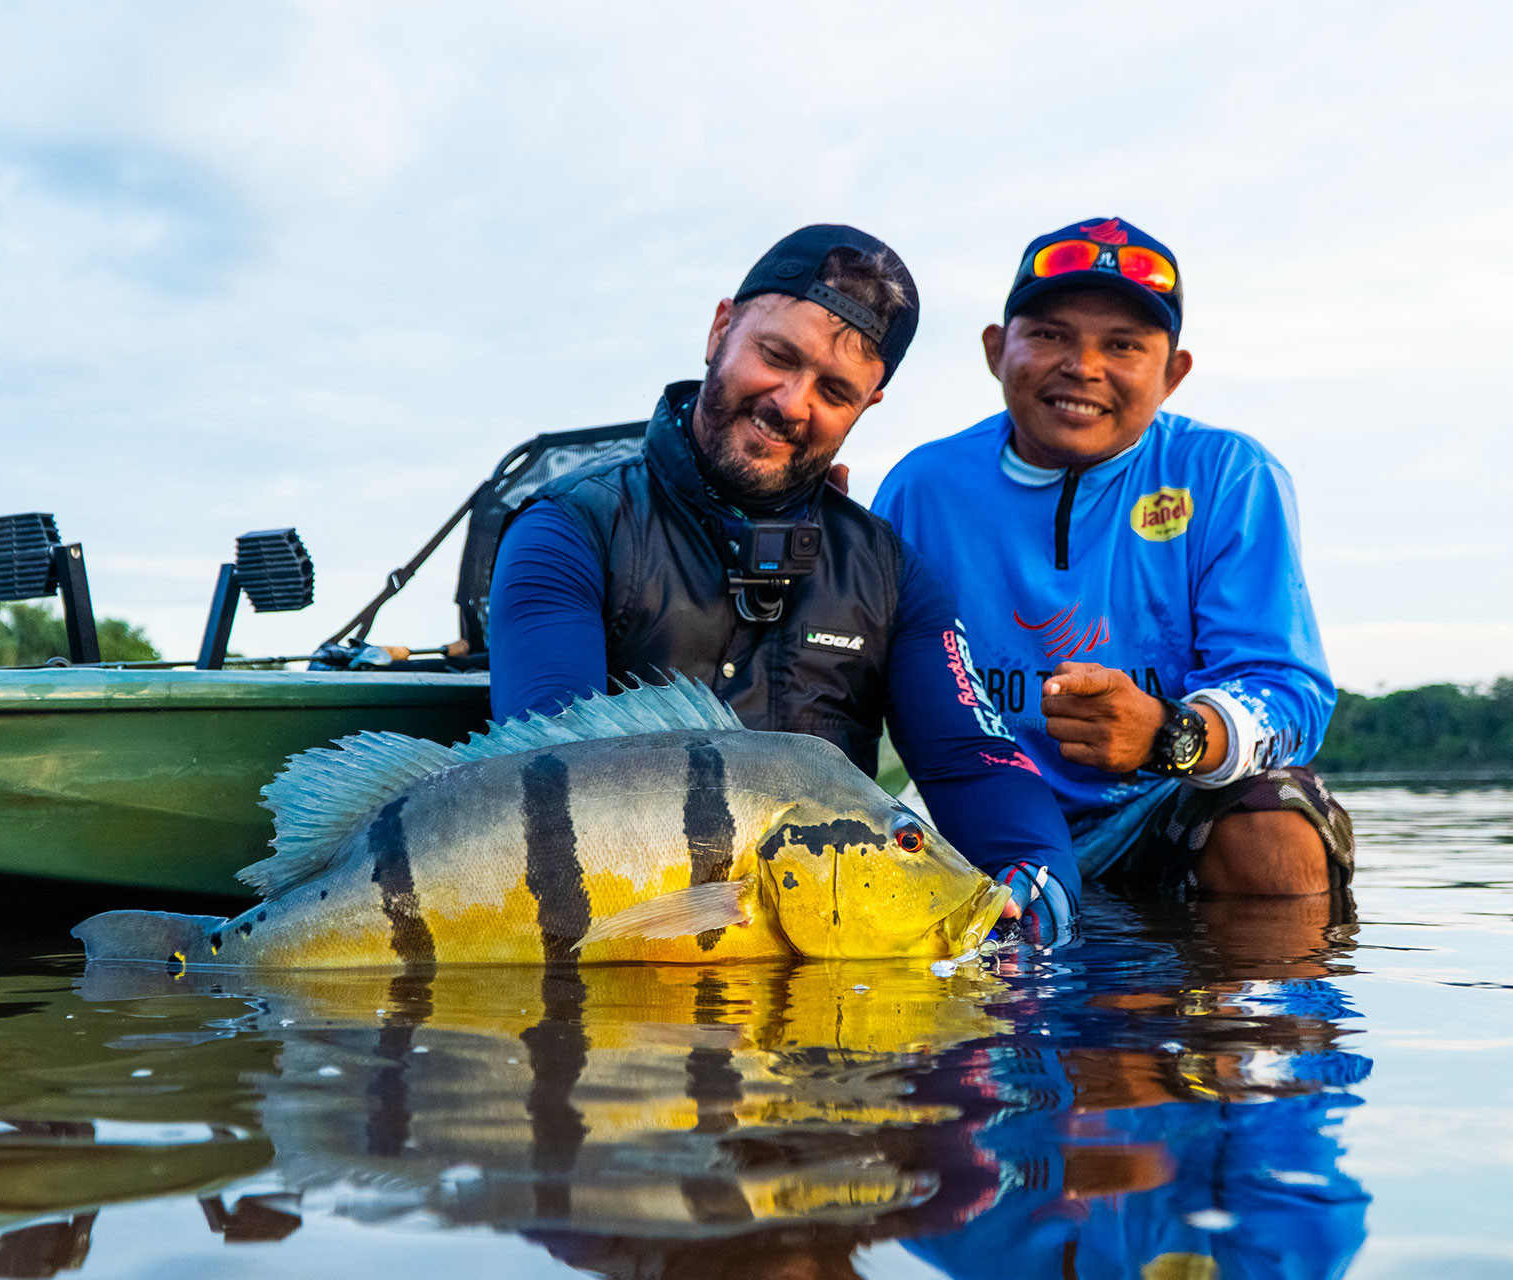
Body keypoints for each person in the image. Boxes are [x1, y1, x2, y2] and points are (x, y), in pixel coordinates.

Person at [486, 225, 1079, 939]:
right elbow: (543, 785)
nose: (792, 403)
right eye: (776, 356)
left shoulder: (895, 576)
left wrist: (1037, 882)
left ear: (868, 404)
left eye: (834, 390)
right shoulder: (568, 530)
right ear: (721, 329)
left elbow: (972, 763)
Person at [872, 217, 1353, 900]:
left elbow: (1288, 691)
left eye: (1123, 344)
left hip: (1156, 806)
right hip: (972, 818)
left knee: (1275, 832)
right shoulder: (923, 487)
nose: (1083, 366)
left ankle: (1255, 978)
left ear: (1173, 374)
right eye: (1050, 335)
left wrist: (1169, 733)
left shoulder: (1227, 475)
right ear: (995, 350)